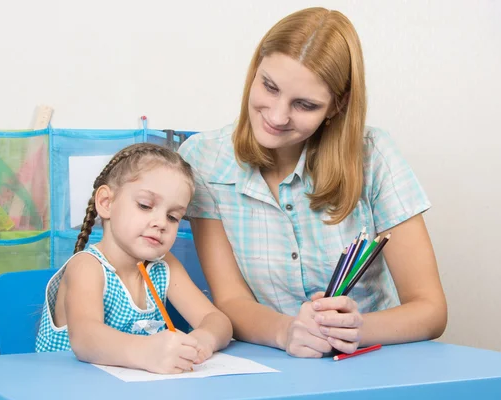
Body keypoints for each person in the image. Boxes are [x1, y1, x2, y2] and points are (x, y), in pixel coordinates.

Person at [177, 7, 447, 358]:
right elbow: (230, 299)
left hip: (371, 363)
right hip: (277, 363)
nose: (277, 116)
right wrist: (287, 332)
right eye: (269, 86)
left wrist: (358, 328)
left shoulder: (374, 156)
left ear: (337, 105)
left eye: (305, 104)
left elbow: (430, 309)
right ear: (255, 70)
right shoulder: (204, 159)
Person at [36, 143, 232, 373]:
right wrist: (148, 351)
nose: (161, 223)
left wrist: (202, 340)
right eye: (145, 205)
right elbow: (85, 339)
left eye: (172, 216)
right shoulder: (86, 266)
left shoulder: (164, 266)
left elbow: (218, 320)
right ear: (106, 203)